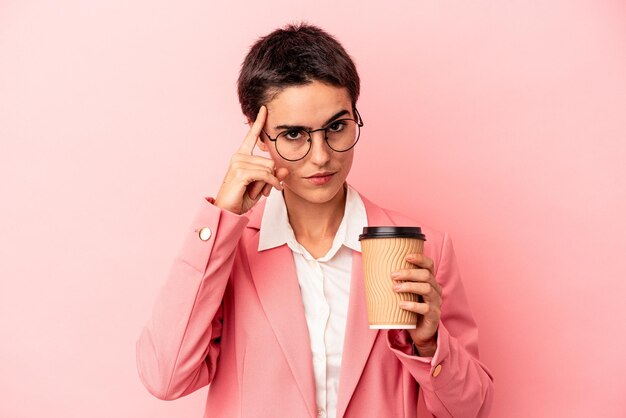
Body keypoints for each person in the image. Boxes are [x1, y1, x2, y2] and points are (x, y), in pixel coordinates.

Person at [136, 22, 494, 418]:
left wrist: (431, 345)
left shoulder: (423, 249)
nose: (321, 155)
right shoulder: (227, 252)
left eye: (336, 127)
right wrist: (220, 218)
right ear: (258, 137)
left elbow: (472, 410)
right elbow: (165, 378)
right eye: (293, 134)